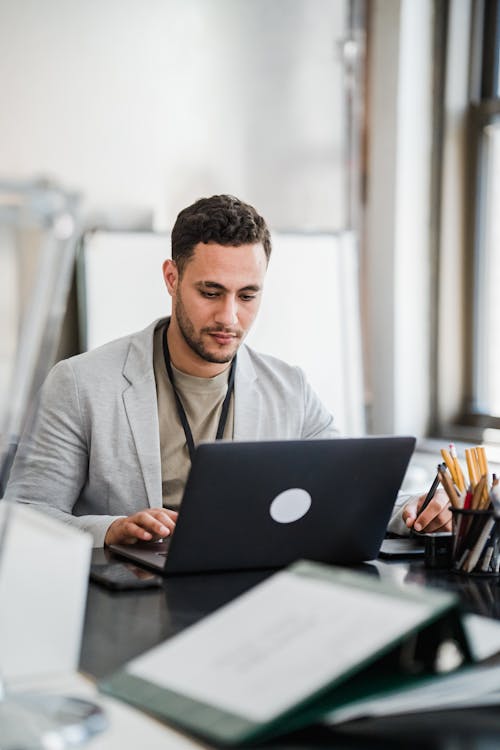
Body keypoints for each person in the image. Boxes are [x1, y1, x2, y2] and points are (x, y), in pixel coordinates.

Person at [4, 194, 451, 546]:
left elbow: (350, 488)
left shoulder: (288, 389)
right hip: (128, 600)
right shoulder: (80, 383)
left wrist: (415, 510)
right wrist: (111, 530)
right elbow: (23, 515)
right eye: (211, 292)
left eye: (248, 295)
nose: (229, 318)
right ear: (171, 278)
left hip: (245, 595)